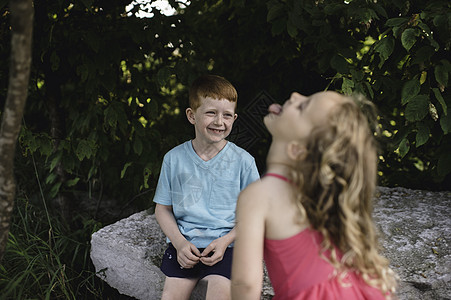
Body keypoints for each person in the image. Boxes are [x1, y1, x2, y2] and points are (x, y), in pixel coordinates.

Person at [231, 91, 398, 299]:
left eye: (302, 107)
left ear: (298, 150)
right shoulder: (322, 198)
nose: (294, 95)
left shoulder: (259, 195)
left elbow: (245, 284)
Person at [153, 74, 260, 300]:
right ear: (192, 116)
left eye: (227, 115)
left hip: (226, 247)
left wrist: (226, 241)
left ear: (234, 118)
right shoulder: (174, 159)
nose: (219, 122)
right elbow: (162, 209)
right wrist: (180, 243)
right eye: (211, 112)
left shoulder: (244, 162)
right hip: (185, 247)